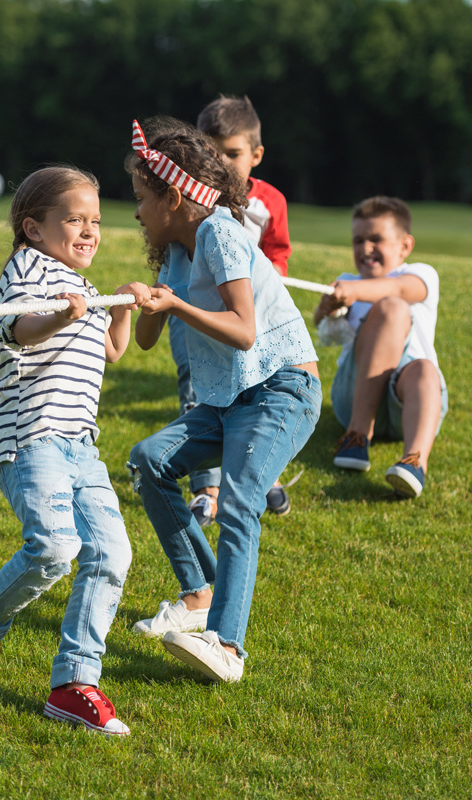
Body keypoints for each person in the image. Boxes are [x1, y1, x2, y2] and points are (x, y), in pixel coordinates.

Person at [0, 166, 151, 737]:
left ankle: (73, 684)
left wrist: (121, 308)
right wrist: (62, 314)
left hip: (82, 448)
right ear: (34, 228)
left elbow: (112, 352)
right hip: (30, 440)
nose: (89, 231)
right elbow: (18, 329)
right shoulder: (28, 268)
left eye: (95, 220)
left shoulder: (85, 286)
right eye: (74, 220)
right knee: (55, 548)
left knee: (112, 556)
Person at [126, 118, 321, 683]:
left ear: (173, 194)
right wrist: (140, 302)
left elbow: (243, 330)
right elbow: (145, 339)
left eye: (143, 199)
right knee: (149, 460)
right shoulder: (173, 252)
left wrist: (176, 307)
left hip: (281, 388)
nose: (137, 213)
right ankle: (199, 595)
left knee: (237, 500)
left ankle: (228, 648)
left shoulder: (220, 233)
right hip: (227, 399)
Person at [172, 95, 294, 529]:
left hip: (250, 320)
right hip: (194, 313)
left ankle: (261, 475)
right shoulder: (190, 198)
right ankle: (206, 489)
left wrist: (271, 274)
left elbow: (278, 252)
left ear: (256, 155)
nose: (221, 161)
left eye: (233, 153)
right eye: (211, 150)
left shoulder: (270, 203)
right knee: (199, 390)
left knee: (258, 392)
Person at [315, 196, 448, 499]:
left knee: (420, 359)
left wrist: (352, 292)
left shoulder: (421, 274)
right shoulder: (346, 283)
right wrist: (327, 308)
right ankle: (356, 435)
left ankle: (414, 462)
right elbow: (323, 329)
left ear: (405, 246)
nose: (365, 248)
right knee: (389, 310)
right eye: (358, 240)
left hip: (411, 403)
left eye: (376, 239)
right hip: (354, 397)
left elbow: (399, 290)